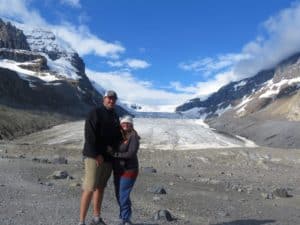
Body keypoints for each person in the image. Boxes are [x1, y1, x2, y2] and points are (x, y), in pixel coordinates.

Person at [79, 90, 122, 225]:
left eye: (113, 99)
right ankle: (81, 221)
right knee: (90, 186)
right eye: (109, 98)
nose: (111, 101)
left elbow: (117, 137)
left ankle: (96, 217)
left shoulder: (115, 115)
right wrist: (96, 154)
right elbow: (90, 134)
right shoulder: (95, 112)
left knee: (101, 187)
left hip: (107, 158)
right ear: (104, 99)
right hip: (94, 157)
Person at [108, 115, 140, 225]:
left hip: (129, 169)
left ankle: (126, 219)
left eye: (128, 123)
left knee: (123, 195)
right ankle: (123, 217)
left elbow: (131, 153)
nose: (125, 125)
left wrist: (115, 154)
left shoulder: (133, 136)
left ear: (132, 125)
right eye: (123, 123)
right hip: (118, 170)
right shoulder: (119, 135)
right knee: (119, 194)